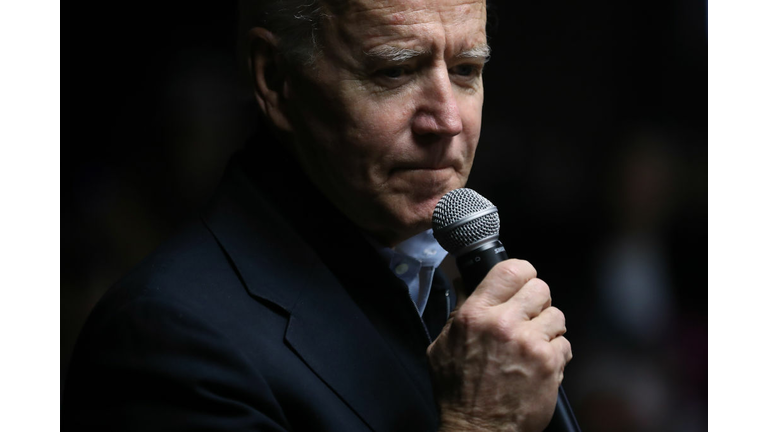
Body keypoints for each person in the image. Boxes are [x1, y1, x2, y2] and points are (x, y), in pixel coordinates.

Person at [62, 0, 572, 431]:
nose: (448, 121)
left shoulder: (430, 269)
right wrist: (480, 424)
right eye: (394, 70)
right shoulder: (165, 341)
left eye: (465, 70)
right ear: (276, 78)